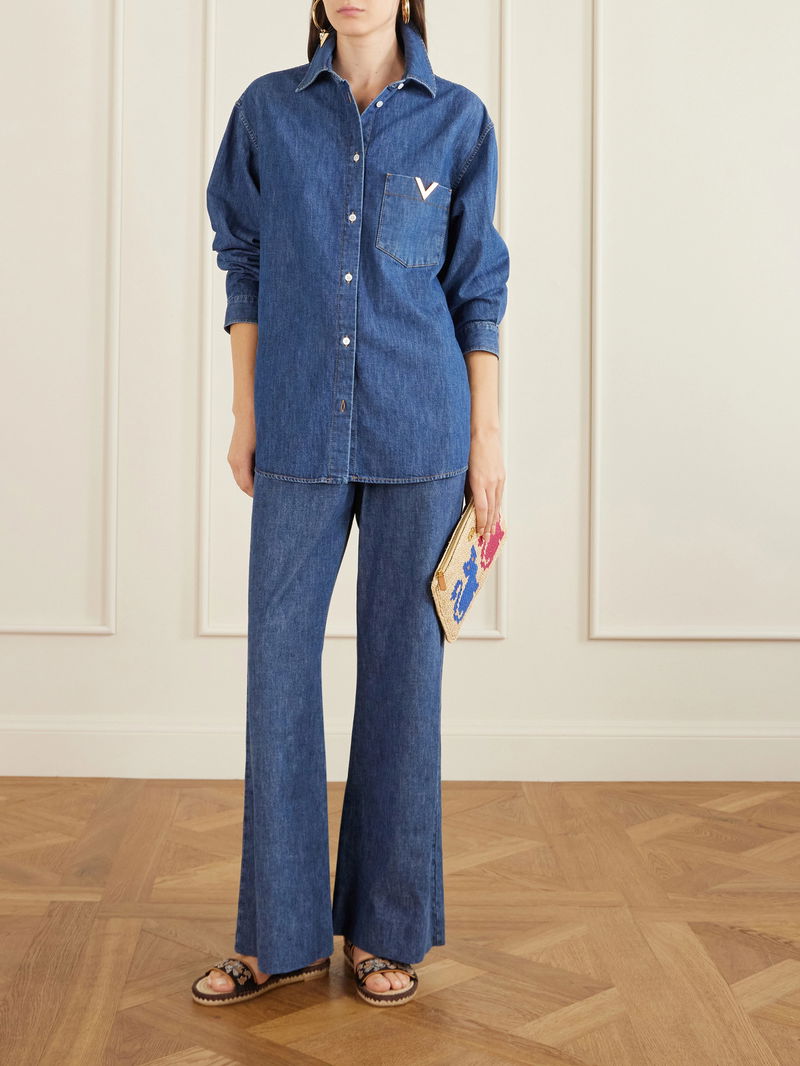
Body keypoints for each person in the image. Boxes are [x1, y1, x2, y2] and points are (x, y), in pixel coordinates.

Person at [191, 0, 509, 1009]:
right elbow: (243, 262)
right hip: (294, 422)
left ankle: (384, 930)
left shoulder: (457, 120)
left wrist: (487, 439)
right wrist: (245, 409)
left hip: (422, 429)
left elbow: (476, 287)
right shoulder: (267, 112)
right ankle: (275, 936)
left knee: (405, 681)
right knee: (278, 674)